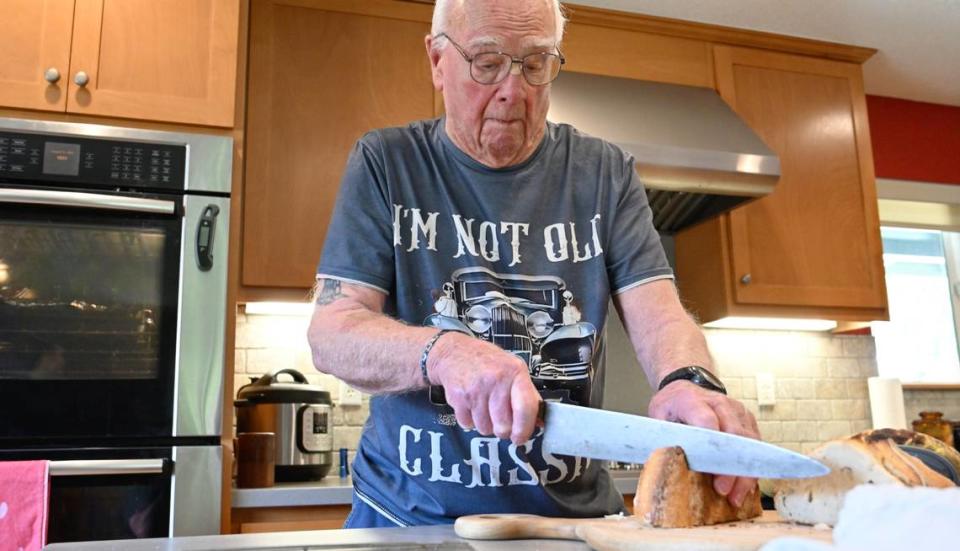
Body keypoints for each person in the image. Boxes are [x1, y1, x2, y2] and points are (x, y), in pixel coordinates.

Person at [307, 0, 760, 528]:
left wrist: (689, 379)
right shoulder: (387, 162)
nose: (513, 89)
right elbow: (333, 332)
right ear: (437, 60)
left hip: (575, 527)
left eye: (535, 63)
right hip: (407, 519)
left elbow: (660, 314)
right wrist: (445, 352)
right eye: (487, 61)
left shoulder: (604, 174)